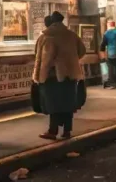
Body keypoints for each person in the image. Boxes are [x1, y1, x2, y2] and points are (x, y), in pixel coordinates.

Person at [33, 11, 86, 140]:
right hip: (70, 75)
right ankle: (67, 131)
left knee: (53, 104)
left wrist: (40, 74)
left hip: (51, 76)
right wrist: (70, 61)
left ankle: (52, 130)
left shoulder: (45, 37)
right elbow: (82, 51)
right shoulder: (72, 35)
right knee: (68, 102)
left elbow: (42, 57)